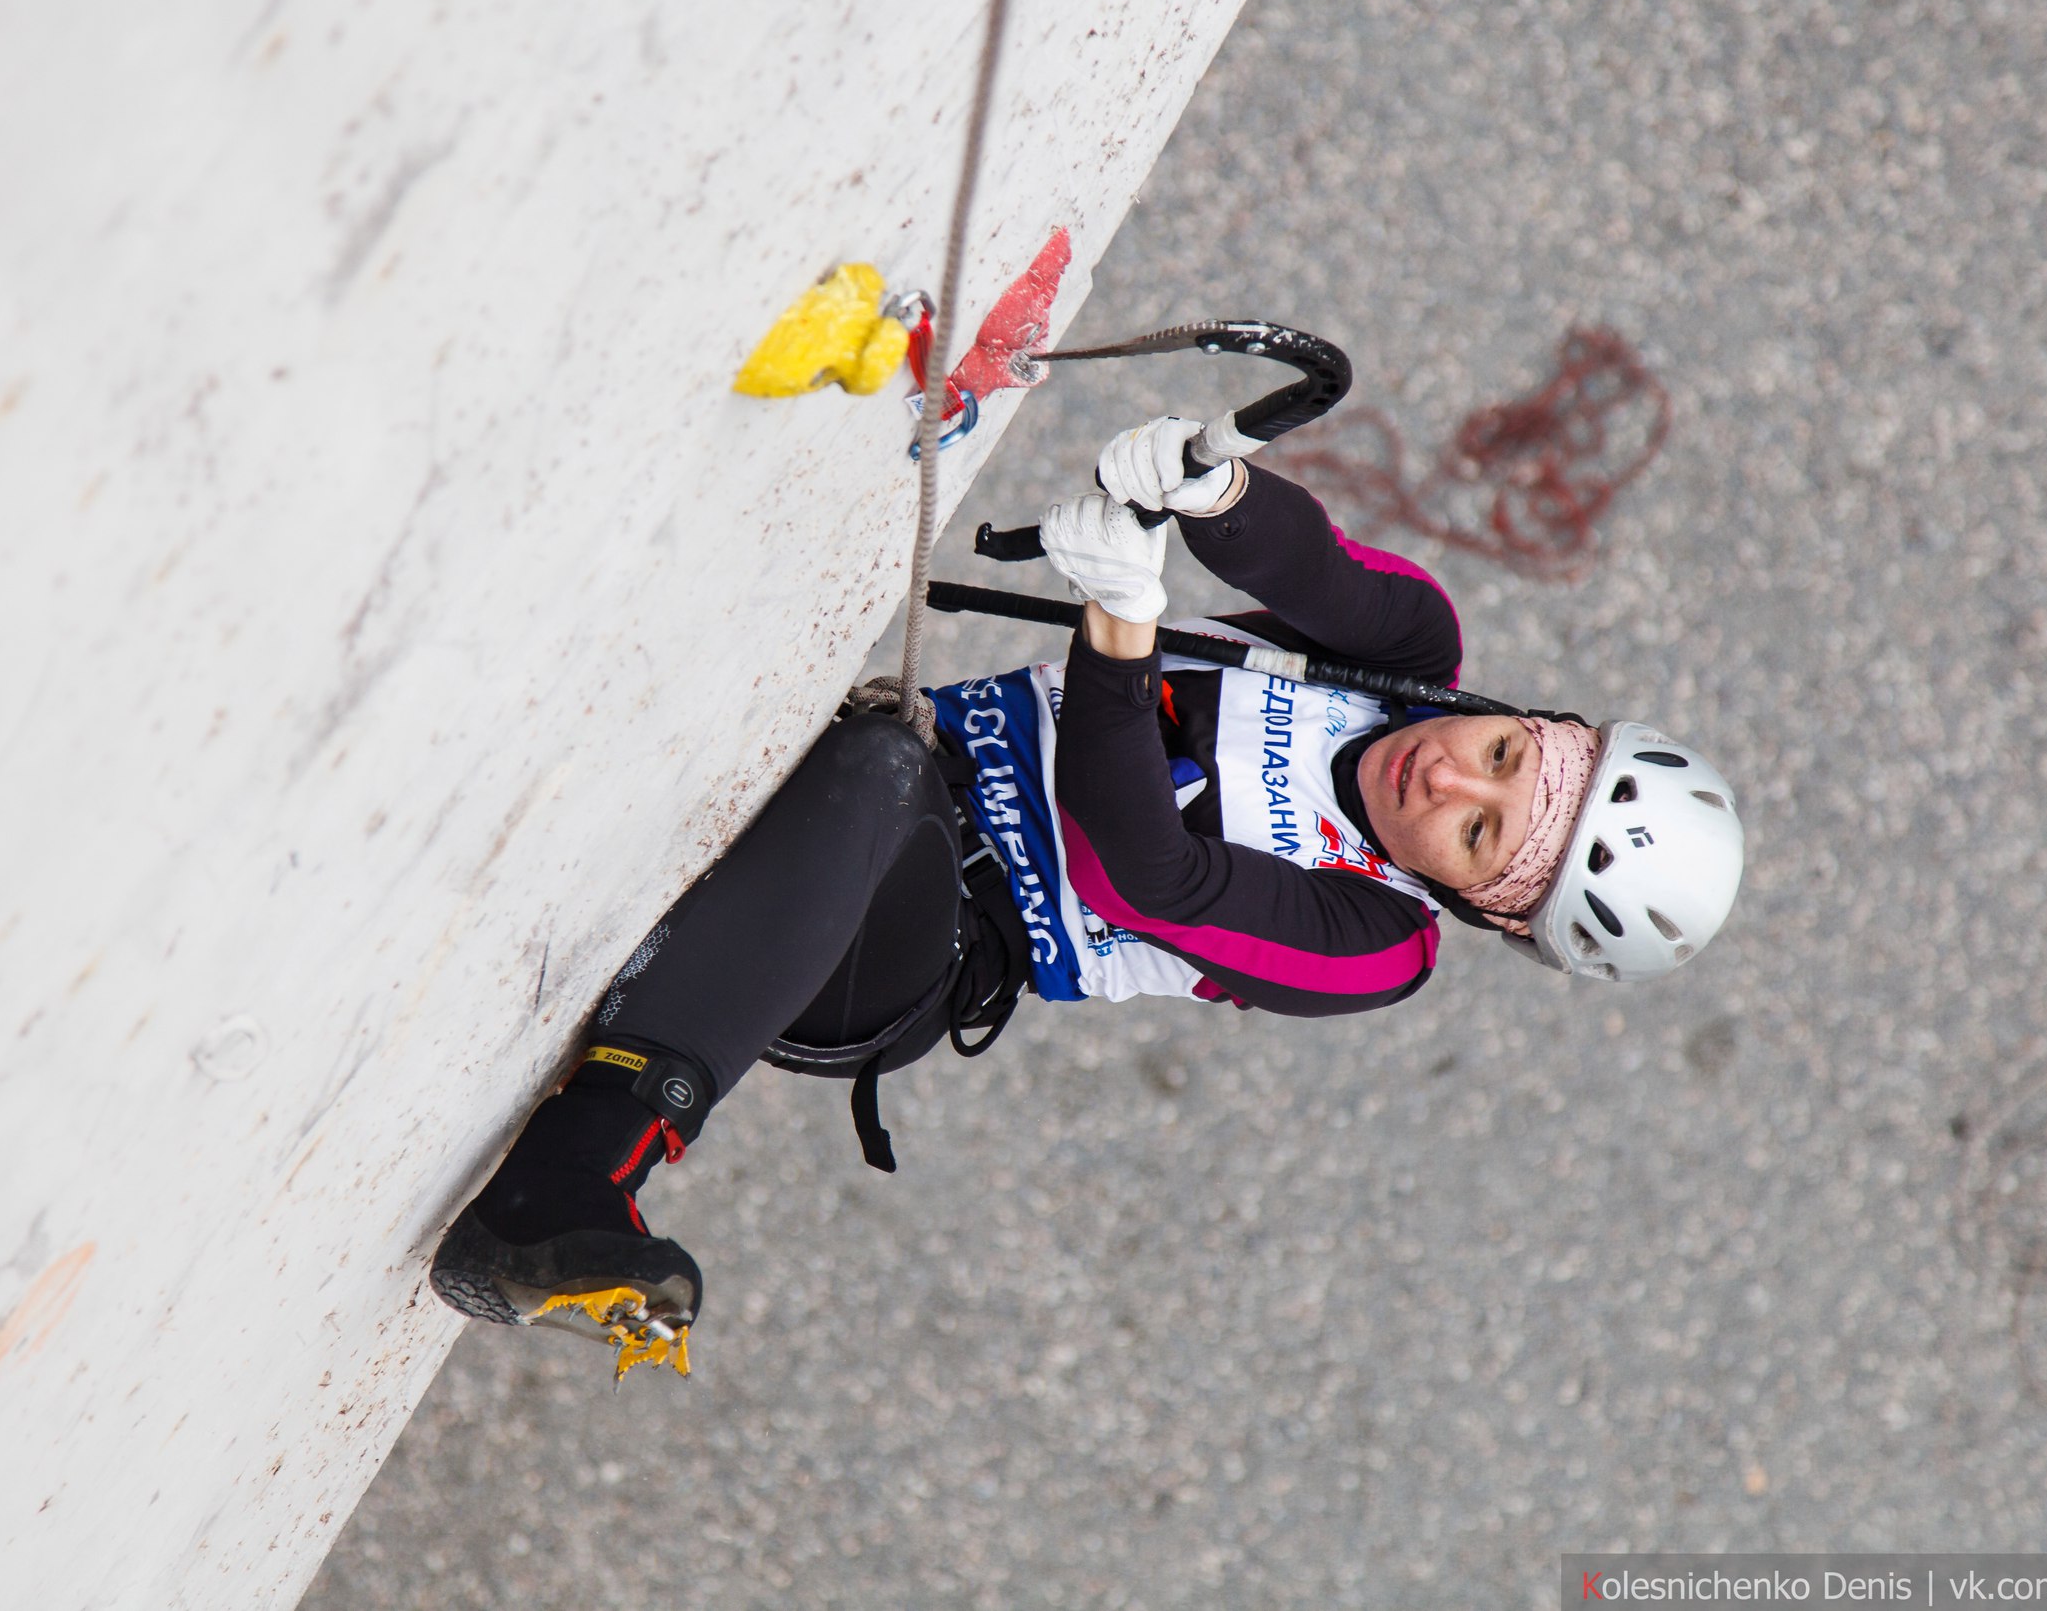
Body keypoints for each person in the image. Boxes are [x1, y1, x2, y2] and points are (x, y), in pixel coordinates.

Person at [429, 417, 1746, 1377]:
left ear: (1484, 908)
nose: (1449, 773)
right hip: (865, 773)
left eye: (1477, 832)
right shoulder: (1414, 663)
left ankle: (561, 1192)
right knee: (873, 749)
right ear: (1532, 714)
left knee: (890, 770)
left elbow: (1141, 870)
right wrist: (1209, 479)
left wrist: (1119, 625)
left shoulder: (1376, 946)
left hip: (898, 959)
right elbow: (1307, 562)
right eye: (1507, 753)